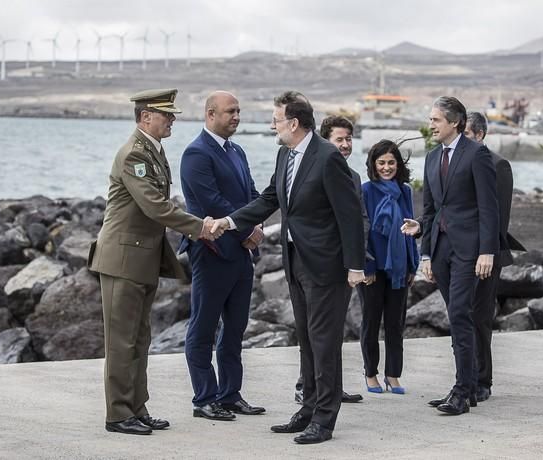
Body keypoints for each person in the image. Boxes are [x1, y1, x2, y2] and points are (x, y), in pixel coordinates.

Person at [211, 91, 366, 444]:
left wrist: (356, 265)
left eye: (276, 119)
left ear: (294, 123)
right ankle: (308, 408)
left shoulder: (328, 158)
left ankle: (325, 420)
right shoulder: (285, 154)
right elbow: (269, 199)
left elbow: (350, 215)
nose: (272, 125)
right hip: (295, 260)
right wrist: (229, 222)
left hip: (327, 266)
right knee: (308, 341)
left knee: (325, 344)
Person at [88, 88, 222, 435]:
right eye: (166, 115)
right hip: (122, 259)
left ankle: (137, 407)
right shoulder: (135, 153)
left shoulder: (152, 151)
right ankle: (118, 414)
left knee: (140, 339)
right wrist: (200, 228)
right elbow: (155, 207)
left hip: (140, 258)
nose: (172, 120)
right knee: (122, 342)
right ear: (146, 117)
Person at [401, 96, 498, 415]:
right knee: (460, 316)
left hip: (470, 250)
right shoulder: (431, 158)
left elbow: (488, 207)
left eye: (436, 120)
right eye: (430, 119)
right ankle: (468, 387)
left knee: (459, 313)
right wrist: (425, 253)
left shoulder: (477, 154)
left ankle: (461, 389)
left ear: (454, 122)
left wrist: (487, 250)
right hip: (440, 250)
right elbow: (429, 210)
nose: (430, 125)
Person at [178, 91, 265, 422]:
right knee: (203, 328)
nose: (237, 116)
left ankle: (230, 395)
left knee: (235, 329)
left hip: (242, 255)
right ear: (210, 114)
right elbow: (212, 202)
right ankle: (204, 398)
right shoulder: (196, 154)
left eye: (239, 111)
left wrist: (257, 223)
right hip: (212, 253)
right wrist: (248, 231)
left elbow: (252, 195)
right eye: (231, 111)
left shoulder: (237, 151)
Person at [293, 115, 365, 405]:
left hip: (342, 265)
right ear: (325, 141)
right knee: (312, 332)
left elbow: (356, 221)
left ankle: (330, 387)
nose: (345, 145)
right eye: (340, 139)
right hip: (312, 263)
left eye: (349, 139)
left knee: (331, 333)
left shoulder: (354, 177)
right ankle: (306, 386)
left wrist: (358, 261)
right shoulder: (312, 168)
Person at [463, 111, 525, 402]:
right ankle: (464, 378)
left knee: (480, 317)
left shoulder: (499, 165)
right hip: (459, 255)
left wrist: (483, 253)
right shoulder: (454, 162)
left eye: (465, 134)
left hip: (487, 254)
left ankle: (482, 380)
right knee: (463, 316)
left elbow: (498, 217)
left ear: (480, 135)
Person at [359, 140, 419, 395]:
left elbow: (410, 228)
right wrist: (365, 267)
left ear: (398, 164)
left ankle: (393, 375)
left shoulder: (404, 191)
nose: (386, 167)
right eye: (381, 162)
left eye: (391, 163)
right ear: (373, 164)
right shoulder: (365, 191)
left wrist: (412, 265)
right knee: (371, 321)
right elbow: (361, 232)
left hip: (399, 266)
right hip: (373, 267)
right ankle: (370, 373)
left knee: (396, 323)